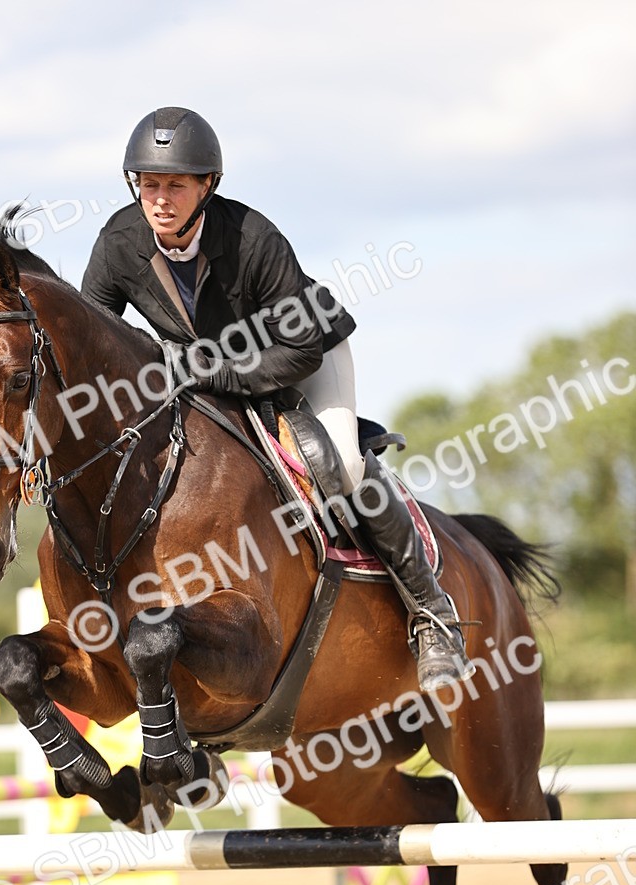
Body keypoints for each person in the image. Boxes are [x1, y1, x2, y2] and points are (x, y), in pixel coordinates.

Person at [81, 107, 474, 693]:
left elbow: (301, 351)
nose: (159, 199)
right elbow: (95, 339)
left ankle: (433, 615)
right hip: (207, 372)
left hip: (304, 357)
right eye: (149, 184)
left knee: (341, 464)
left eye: (175, 185)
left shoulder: (252, 238)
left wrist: (206, 374)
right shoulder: (119, 243)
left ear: (207, 186)